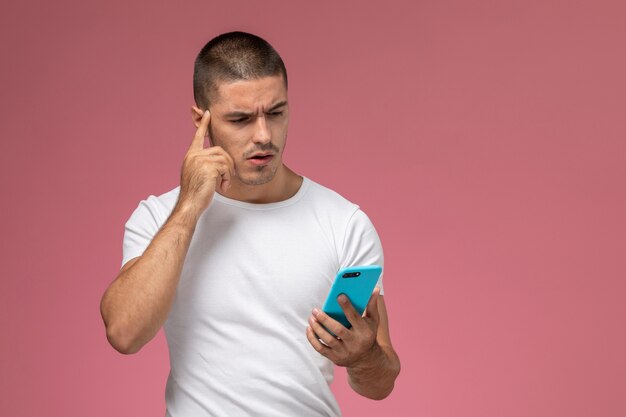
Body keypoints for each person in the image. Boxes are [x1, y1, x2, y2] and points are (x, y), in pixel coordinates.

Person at [100, 31, 400, 416]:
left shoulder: (344, 223)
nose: (263, 136)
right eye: (240, 119)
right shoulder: (160, 217)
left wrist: (363, 357)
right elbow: (124, 333)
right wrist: (190, 205)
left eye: (275, 113)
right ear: (201, 120)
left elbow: (380, 384)